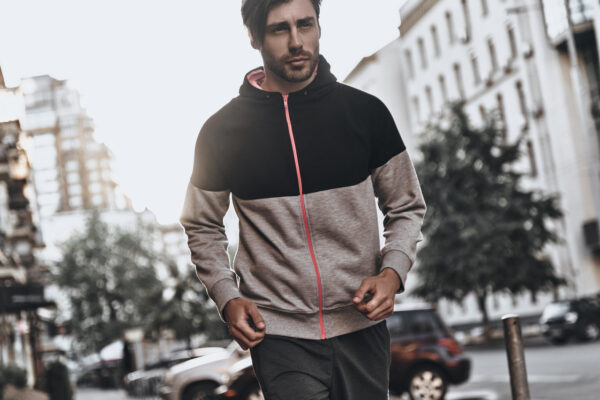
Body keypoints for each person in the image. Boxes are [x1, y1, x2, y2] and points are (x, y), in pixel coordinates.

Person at [180, 0, 427, 398]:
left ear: (318, 27)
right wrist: (227, 297)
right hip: (279, 333)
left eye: (305, 25)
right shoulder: (220, 132)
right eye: (280, 29)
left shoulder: (366, 113)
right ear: (254, 37)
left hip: (361, 324)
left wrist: (392, 273)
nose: (296, 42)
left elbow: (406, 205)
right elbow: (201, 224)